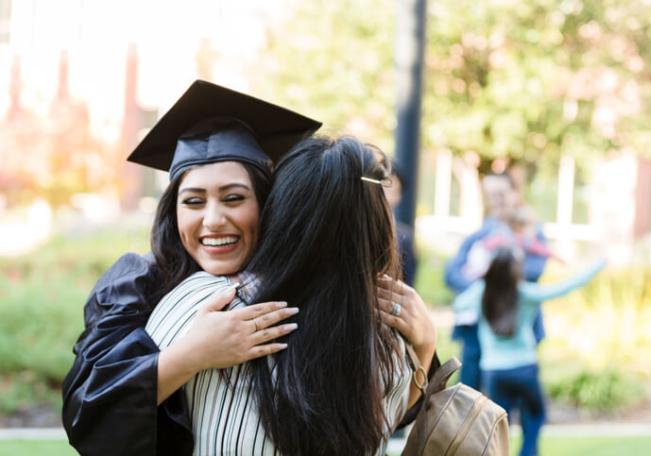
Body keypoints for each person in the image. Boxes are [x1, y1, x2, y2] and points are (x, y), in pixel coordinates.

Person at [62, 80, 322, 455]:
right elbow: (85, 413)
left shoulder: (302, 276)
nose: (213, 220)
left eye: (234, 198)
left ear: (266, 204)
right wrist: (192, 354)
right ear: (174, 211)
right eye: (194, 201)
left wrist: (423, 346)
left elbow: (388, 409)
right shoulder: (139, 282)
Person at [144, 136, 437, 455]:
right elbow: (386, 422)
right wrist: (424, 346)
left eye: (232, 198)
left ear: (276, 212)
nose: (213, 220)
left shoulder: (206, 304)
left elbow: (113, 413)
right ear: (379, 226)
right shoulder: (390, 332)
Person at [453, 247, 606, 456]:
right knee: (535, 417)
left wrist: (477, 277)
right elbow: (565, 287)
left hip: (494, 371)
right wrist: (600, 262)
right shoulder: (524, 292)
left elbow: (459, 304)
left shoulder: (481, 291)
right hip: (525, 368)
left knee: (499, 426)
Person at [444, 172, 548, 390]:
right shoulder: (479, 236)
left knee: (511, 402)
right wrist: (486, 289)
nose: (496, 199)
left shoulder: (531, 233)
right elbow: (452, 273)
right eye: (490, 194)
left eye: (501, 193)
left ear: (514, 194)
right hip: (477, 332)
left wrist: (490, 280)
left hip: (515, 328)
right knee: (469, 394)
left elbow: (535, 269)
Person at [384, 162, 417, 286]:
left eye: (390, 185)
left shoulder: (404, 237)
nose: (383, 189)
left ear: (399, 196)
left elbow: (408, 283)